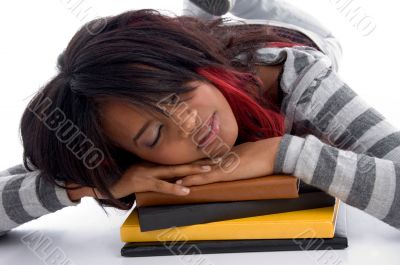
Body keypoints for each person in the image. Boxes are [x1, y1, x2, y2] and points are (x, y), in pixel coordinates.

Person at [1, 0, 400, 238]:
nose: (187, 120)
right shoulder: (109, 126)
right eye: (155, 134)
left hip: (287, 35)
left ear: (194, 70)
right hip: (192, 48)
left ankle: (201, 18)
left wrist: (286, 152)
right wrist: (91, 185)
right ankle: (197, 19)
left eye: (176, 94)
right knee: (194, 29)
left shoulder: (303, 81)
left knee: (232, 23)